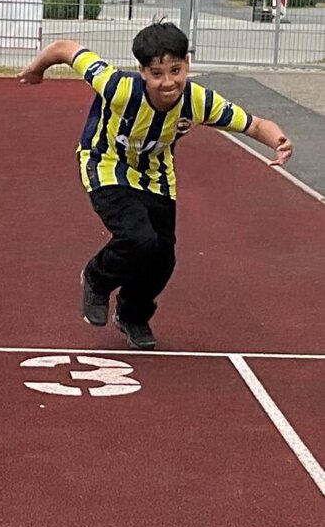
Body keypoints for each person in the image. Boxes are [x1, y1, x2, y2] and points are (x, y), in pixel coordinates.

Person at [18, 20, 292, 350]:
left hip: (156, 176)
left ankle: (132, 315)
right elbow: (64, 48)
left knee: (163, 258)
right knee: (137, 237)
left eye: (176, 70)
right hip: (106, 165)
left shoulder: (198, 101)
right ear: (142, 71)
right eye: (157, 73)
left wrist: (278, 140)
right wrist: (36, 69)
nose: (168, 83)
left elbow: (254, 124)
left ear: (187, 64)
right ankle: (97, 277)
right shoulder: (117, 86)